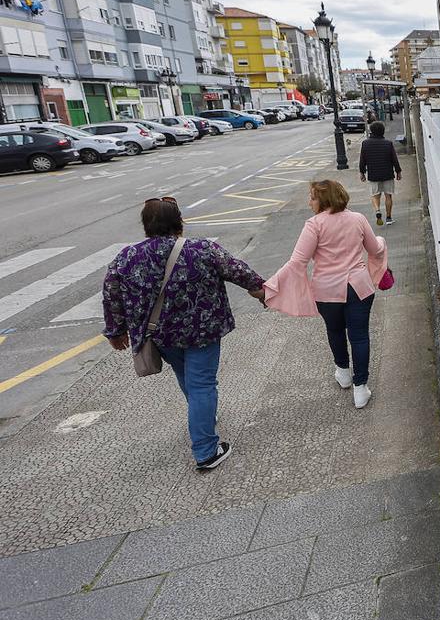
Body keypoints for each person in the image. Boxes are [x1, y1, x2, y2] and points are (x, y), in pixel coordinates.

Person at [102, 196, 266, 470]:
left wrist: (115, 331)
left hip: (160, 335)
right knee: (202, 384)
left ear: (146, 225)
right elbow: (238, 271)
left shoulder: (128, 256)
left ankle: (201, 416)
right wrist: (262, 292)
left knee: (187, 377)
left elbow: (111, 294)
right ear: (179, 222)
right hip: (202, 331)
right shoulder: (201, 249)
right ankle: (206, 451)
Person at [263, 179, 387, 408]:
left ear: (323, 199)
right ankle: (361, 389)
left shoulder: (314, 225)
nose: (309, 201)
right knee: (360, 336)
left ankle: (343, 372)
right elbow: (374, 249)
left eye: (312, 197)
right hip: (358, 287)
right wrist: (381, 241)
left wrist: (271, 286)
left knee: (335, 330)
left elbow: (297, 262)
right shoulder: (358, 219)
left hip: (327, 290)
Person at [358, 121, 402, 226]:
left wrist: (362, 172)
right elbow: (394, 159)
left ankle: (377, 210)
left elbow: (362, 160)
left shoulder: (365, 143)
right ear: (382, 131)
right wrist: (398, 171)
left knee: (375, 195)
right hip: (387, 173)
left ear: (371, 131)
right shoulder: (388, 143)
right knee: (388, 196)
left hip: (373, 174)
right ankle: (388, 217)